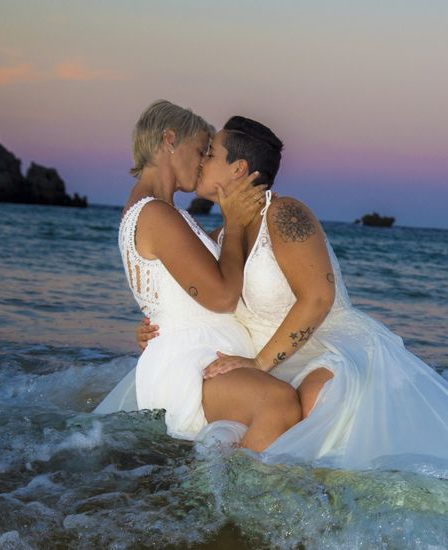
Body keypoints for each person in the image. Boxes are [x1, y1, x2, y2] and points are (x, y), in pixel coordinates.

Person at [135, 116, 448, 488]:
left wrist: (260, 365)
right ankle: (232, 511)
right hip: (271, 364)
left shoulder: (287, 215)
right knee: (264, 427)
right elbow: (206, 293)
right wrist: (160, 326)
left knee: (312, 417)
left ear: (239, 168)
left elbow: (318, 299)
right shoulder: (228, 234)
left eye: (212, 153)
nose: (201, 160)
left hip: (327, 351)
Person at [95, 100, 301, 452]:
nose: (204, 161)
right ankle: (237, 499)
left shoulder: (167, 212)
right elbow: (222, 296)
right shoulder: (155, 213)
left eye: (209, 153)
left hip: (202, 355)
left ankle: (224, 492)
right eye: (201, 149)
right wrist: (235, 224)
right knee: (277, 403)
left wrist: (254, 218)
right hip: (190, 366)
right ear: (170, 140)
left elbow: (185, 283)